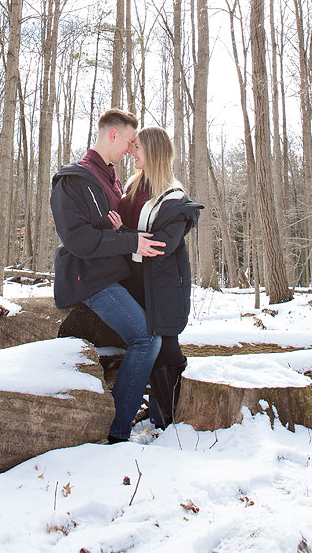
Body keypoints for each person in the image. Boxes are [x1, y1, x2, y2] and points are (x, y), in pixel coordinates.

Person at [50, 108, 166, 443]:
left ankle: (160, 415)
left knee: (162, 328)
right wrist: (129, 239)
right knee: (146, 338)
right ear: (112, 134)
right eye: (130, 141)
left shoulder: (113, 179)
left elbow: (118, 230)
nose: (132, 150)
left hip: (116, 276)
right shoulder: (73, 180)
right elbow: (79, 241)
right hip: (90, 280)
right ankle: (114, 430)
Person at [110, 126, 202, 427]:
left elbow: (162, 246)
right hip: (133, 282)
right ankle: (150, 410)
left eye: (137, 148)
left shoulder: (174, 199)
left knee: (166, 346)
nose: (131, 152)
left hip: (163, 286)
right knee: (142, 344)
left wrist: (123, 234)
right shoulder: (133, 187)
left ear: (154, 153)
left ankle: (170, 418)